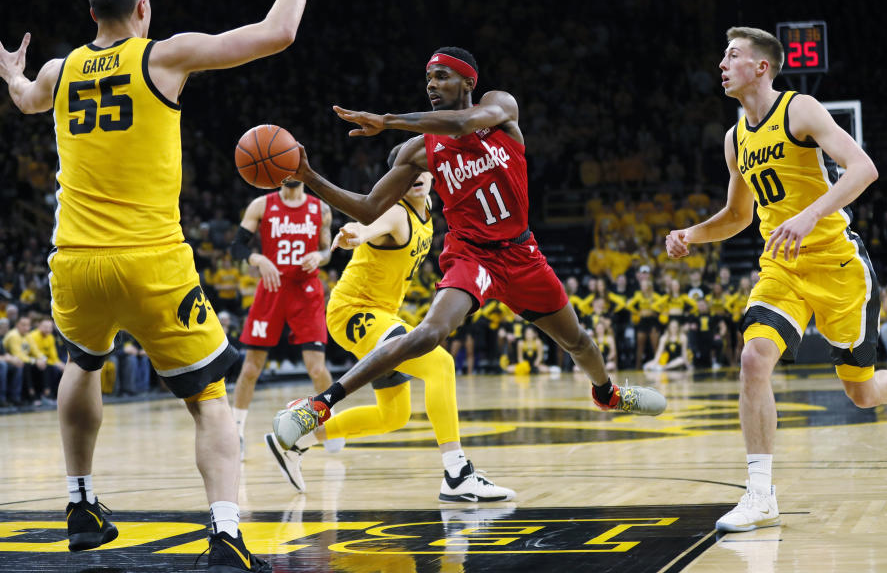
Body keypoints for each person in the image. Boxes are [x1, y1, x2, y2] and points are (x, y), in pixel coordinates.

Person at [0, 0, 317, 567]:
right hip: (151, 259)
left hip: (75, 260)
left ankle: (81, 503)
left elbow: (27, 100)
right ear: (142, 9)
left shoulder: (61, 71)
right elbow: (277, 33)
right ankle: (225, 536)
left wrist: (14, 74)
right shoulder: (163, 58)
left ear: (92, 14)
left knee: (81, 365)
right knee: (208, 397)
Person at [271, 46, 666, 452]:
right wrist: (309, 176)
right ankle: (318, 405)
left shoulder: (499, 108)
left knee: (577, 340)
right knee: (430, 334)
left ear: (468, 82)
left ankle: (607, 394)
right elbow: (369, 208)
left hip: (521, 252)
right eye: (428, 79)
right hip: (472, 254)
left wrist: (388, 121)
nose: (432, 85)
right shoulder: (420, 150)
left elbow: (463, 123)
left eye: (442, 76)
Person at [665, 26, 887, 533]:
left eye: (733, 55)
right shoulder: (734, 137)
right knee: (753, 358)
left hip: (837, 264)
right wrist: (691, 234)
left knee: (862, 393)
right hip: (782, 268)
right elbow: (738, 215)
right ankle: (760, 495)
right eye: (723, 55)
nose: (722, 63)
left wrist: (809, 215)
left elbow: (862, 169)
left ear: (762, 66)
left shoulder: (800, 108)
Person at [266, 159, 513, 502]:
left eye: (420, 171)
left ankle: (296, 440)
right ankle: (457, 473)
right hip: (355, 313)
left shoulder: (428, 207)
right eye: (405, 174)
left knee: (393, 415)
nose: (414, 178)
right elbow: (371, 226)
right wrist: (358, 233)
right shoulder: (396, 214)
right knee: (440, 364)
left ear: (431, 174)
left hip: (382, 315)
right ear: (394, 181)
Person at [229, 179, 334, 459]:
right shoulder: (262, 205)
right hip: (272, 289)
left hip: (306, 290)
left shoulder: (320, 208)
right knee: (251, 368)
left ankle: (329, 427)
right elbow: (237, 246)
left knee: (316, 368)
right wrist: (259, 260)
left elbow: (327, 250)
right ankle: (235, 433)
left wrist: (320, 257)